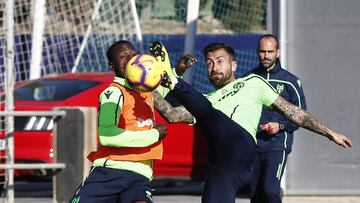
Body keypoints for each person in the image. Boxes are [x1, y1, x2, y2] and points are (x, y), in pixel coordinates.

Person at [149, 41, 352, 203]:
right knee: (207, 110)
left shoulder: (253, 83)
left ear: (234, 64)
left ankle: (173, 80)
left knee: (210, 114)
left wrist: (329, 132)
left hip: (241, 146)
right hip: (221, 166)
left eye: (220, 61)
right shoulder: (208, 98)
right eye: (209, 63)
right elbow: (172, 114)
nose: (214, 67)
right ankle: (170, 79)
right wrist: (146, 87)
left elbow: (293, 112)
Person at [69, 40, 170, 203]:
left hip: (140, 175)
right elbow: (107, 135)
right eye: (123, 56)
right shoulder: (114, 92)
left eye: (133, 55)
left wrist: (177, 71)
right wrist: (153, 135)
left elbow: (170, 94)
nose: (130, 59)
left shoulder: (147, 91)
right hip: (111, 171)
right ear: (112, 66)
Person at [245, 34, 306, 203]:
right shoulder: (248, 79)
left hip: (277, 145)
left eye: (270, 51)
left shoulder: (291, 81)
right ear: (257, 52)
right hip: (253, 145)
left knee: (270, 190)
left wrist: (280, 125)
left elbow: (301, 116)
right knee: (254, 193)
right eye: (262, 51)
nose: (266, 56)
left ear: (278, 52)